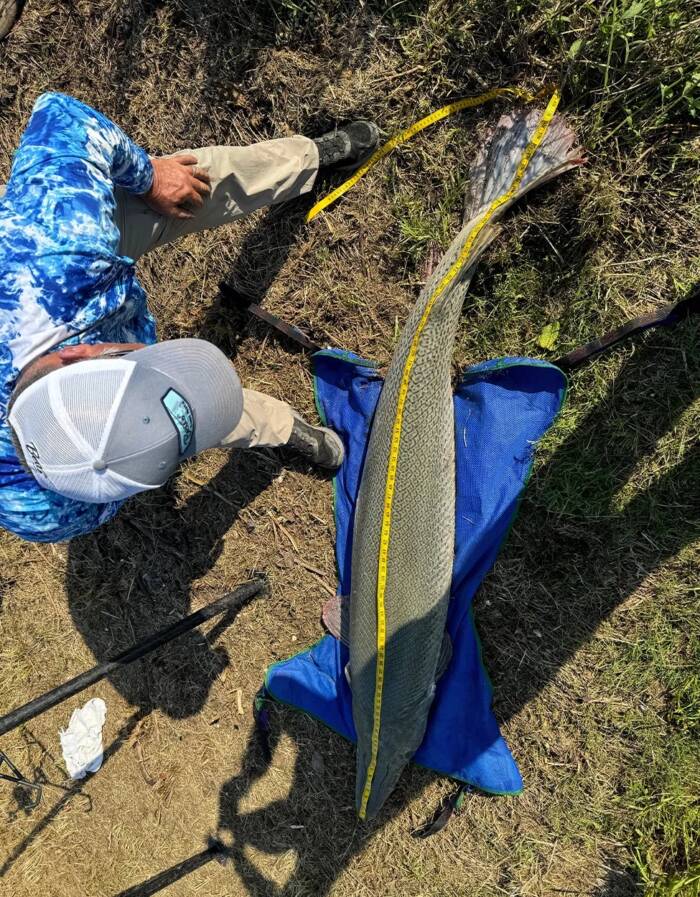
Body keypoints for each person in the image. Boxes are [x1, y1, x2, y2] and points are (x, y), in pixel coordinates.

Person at [0, 92, 380, 542]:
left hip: (56, 280)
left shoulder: (49, 252)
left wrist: (148, 177)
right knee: (178, 416)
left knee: (199, 182)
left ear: (73, 354)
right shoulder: (35, 509)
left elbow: (59, 116)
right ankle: (281, 430)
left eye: (128, 358)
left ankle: (308, 159)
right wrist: (148, 440)